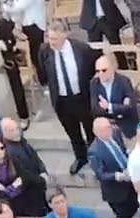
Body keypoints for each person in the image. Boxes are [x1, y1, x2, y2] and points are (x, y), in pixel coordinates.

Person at [39, 20, 98, 175]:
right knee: (73, 132)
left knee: (90, 130)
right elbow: (43, 74)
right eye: (50, 38)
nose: (52, 42)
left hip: (82, 97)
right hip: (62, 101)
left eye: (55, 39)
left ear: (65, 35)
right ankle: (81, 157)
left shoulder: (81, 49)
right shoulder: (44, 50)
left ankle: (95, 157)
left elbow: (93, 67)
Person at [91, 56, 139, 141]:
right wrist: (119, 107)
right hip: (106, 128)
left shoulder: (124, 81)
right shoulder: (94, 83)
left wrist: (109, 107)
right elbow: (95, 109)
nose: (100, 74)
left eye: (104, 70)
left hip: (125, 128)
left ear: (112, 68)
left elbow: (130, 107)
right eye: (97, 71)